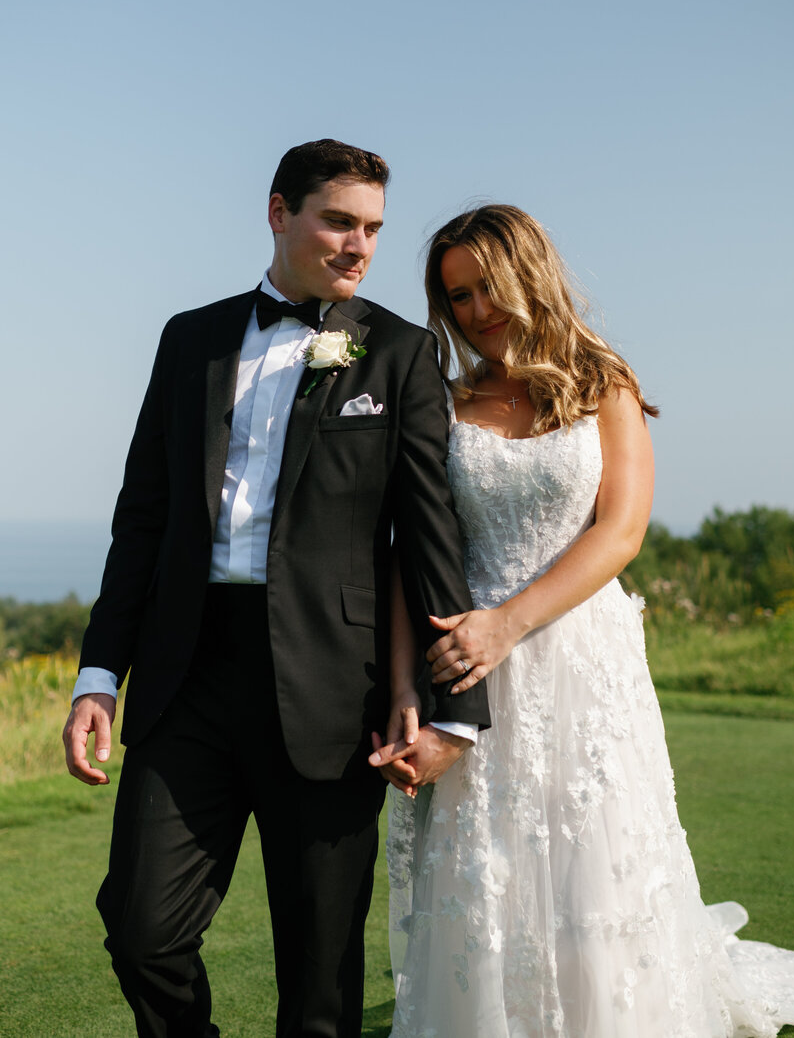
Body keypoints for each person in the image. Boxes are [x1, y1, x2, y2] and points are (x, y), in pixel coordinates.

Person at [61, 138, 490, 1038]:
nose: (358, 244)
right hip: (185, 679)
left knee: (321, 983)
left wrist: (456, 707)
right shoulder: (189, 339)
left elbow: (428, 535)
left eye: (371, 227)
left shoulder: (400, 355)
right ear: (278, 211)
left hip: (338, 693)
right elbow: (142, 519)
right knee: (140, 929)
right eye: (337, 219)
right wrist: (99, 675)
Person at [372, 204, 794, 1036]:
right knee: (488, 868)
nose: (475, 312)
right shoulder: (446, 402)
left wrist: (507, 623)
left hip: (580, 652)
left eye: (485, 287)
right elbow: (406, 548)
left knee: (593, 861)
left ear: (528, 272)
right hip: (470, 669)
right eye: (456, 298)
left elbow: (621, 530)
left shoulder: (605, 382)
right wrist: (408, 681)